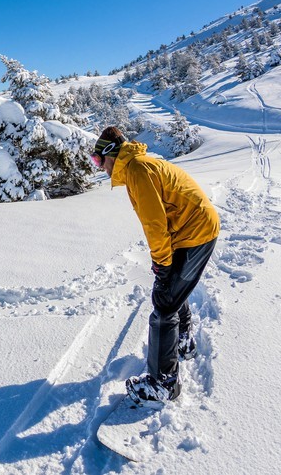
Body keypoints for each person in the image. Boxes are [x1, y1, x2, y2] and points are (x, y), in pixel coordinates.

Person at [93, 126, 219, 403]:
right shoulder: (136, 167)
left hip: (194, 233)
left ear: (112, 154)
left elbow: (154, 224)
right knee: (172, 291)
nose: (99, 167)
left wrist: (162, 264)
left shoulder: (137, 170)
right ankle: (183, 342)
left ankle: (163, 384)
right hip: (190, 230)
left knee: (164, 302)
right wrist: (165, 264)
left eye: (98, 160)